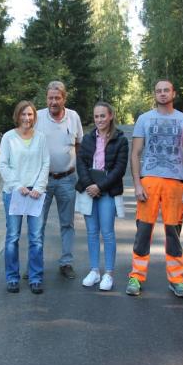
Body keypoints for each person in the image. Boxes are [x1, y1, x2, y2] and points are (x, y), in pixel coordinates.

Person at [126, 80, 183, 298]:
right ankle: (136, 276)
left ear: (173, 93)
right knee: (143, 232)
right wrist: (137, 183)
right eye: (159, 91)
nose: (163, 94)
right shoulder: (144, 119)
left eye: (166, 90)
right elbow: (135, 153)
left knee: (173, 233)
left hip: (175, 183)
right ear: (154, 94)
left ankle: (177, 279)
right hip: (149, 182)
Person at [0, 101, 50, 294]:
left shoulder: (41, 138)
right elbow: (3, 164)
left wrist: (38, 187)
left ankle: (35, 278)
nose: (27, 118)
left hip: (36, 193)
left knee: (36, 238)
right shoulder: (8, 138)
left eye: (30, 115)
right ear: (17, 116)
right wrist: (18, 186)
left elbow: (46, 163)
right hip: (14, 193)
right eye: (23, 114)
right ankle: (12, 277)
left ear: (34, 117)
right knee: (13, 237)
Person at [75, 102, 128, 291]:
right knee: (91, 232)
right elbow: (80, 162)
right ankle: (94, 271)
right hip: (89, 190)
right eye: (96, 116)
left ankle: (108, 273)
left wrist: (100, 186)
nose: (99, 120)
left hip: (107, 191)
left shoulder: (120, 139)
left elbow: (119, 169)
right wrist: (90, 184)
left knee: (107, 233)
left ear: (111, 116)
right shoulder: (88, 139)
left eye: (103, 116)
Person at [36, 81, 84, 279]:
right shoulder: (37, 117)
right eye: (50, 98)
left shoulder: (73, 117)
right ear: (46, 98)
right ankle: (35, 264)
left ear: (64, 98)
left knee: (67, 224)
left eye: (57, 98)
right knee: (37, 224)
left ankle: (66, 262)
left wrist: (79, 173)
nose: (53, 102)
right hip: (42, 180)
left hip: (67, 179)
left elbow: (79, 144)